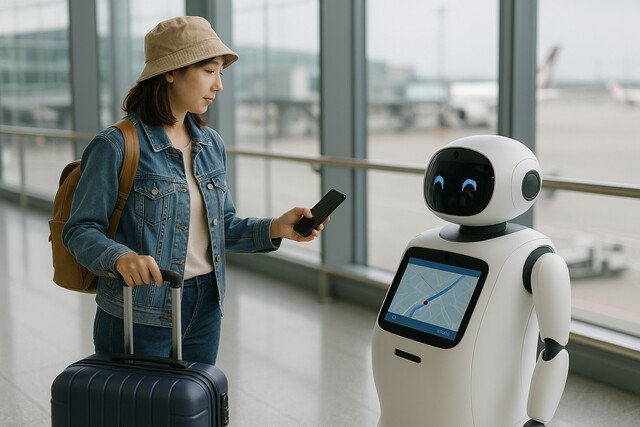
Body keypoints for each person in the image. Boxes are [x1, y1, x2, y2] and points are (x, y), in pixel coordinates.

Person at [63, 16, 325, 365]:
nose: (219, 85)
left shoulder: (210, 143)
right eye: (208, 71)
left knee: (195, 412)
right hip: (138, 309)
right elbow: (80, 230)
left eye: (221, 73)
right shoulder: (116, 145)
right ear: (170, 72)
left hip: (205, 304)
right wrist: (120, 258)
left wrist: (277, 227)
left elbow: (222, 228)